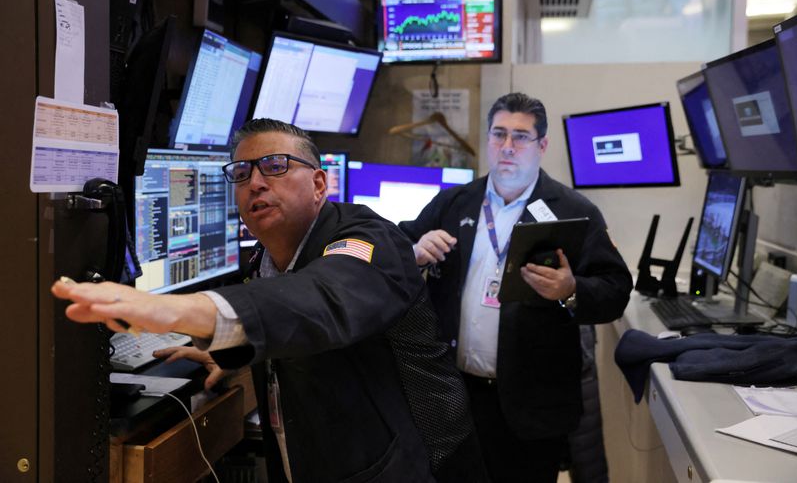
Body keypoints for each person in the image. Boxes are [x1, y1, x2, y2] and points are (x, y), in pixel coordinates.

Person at [53, 119, 487, 483]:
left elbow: (324, 299)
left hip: (412, 468)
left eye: (275, 166)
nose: (255, 182)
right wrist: (235, 351)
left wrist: (172, 309)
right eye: (241, 173)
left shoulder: (368, 240)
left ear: (319, 184)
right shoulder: (263, 260)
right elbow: (291, 319)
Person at [399, 92, 633, 483]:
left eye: (521, 136)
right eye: (499, 134)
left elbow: (616, 289)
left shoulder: (574, 210)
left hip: (532, 409)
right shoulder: (455, 202)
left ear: (542, 145)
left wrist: (570, 290)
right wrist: (415, 251)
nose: (507, 147)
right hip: (455, 399)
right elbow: (397, 249)